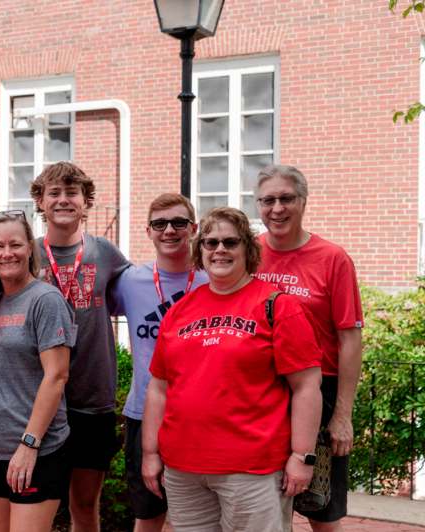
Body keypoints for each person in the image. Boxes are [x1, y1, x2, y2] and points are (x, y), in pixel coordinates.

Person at [142, 207, 322, 532]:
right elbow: (159, 387)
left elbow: (307, 386)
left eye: (230, 242)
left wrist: (302, 456)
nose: (220, 250)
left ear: (248, 250)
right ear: (200, 251)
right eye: (210, 243)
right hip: (183, 469)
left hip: (252, 469)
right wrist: (150, 452)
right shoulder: (181, 310)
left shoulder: (277, 306)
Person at [254, 165, 364, 532]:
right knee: (264, 502)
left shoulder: (332, 258)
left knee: (321, 512)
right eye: (268, 200)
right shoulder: (248, 253)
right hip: (262, 391)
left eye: (286, 198)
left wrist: (343, 415)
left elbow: (349, 337)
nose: (277, 208)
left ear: (303, 201)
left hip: (320, 390)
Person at [29, 161, 130, 532]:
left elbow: (136, 293)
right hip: (38, 399)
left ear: (86, 202)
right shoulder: (26, 254)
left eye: (72, 193)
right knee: (37, 503)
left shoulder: (105, 253)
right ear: (40, 201)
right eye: (53, 193)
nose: (63, 200)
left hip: (91, 398)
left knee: (85, 506)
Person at [110, 193, 208, 532]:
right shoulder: (129, 281)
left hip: (202, 417)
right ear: (148, 232)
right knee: (148, 514)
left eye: (179, 223)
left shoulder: (214, 281)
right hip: (143, 414)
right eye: (160, 224)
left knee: (200, 516)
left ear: (194, 228)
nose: (170, 230)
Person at [0, 210, 75, 532]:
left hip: (38, 449)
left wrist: (29, 445)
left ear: (30, 248)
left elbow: (57, 375)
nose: (7, 254)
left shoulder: (45, 300)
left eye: (15, 244)